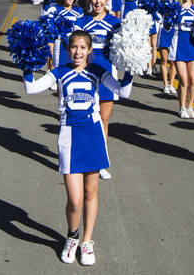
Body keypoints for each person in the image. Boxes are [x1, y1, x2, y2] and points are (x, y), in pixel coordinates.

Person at [23, 30, 133, 265]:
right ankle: (72, 236)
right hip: (69, 137)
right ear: (68, 49)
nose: (78, 52)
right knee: (74, 199)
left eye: (83, 47)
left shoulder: (97, 72)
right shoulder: (60, 72)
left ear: (90, 51)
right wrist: (26, 64)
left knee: (91, 193)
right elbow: (31, 89)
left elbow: (123, 91)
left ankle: (87, 241)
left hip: (93, 135)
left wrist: (130, 68)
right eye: (74, 47)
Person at [71, 0, 121, 179]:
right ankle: (82, 157)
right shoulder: (81, 21)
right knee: (85, 117)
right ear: (89, 0)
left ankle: (99, 162)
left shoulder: (115, 22)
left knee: (104, 120)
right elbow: (74, 49)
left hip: (107, 73)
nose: (98, 1)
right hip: (86, 73)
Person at [171, 0, 194, 119]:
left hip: (192, 45)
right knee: (183, 80)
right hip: (179, 44)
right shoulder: (176, 8)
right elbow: (168, 26)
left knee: (193, 80)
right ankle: (182, 107)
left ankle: (190, 107)